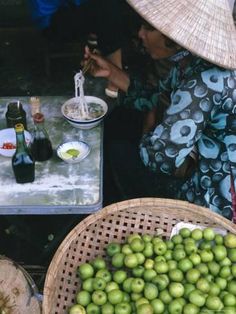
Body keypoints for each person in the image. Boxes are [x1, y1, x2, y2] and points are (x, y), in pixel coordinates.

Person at [84, 0, 236, 221]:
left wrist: (148, 129)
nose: (140, 34)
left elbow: (161, 158)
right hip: (200, 158)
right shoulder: (189, 61)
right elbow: (156, 96)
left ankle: (132, 220)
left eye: (148, 28)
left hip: (216, 193)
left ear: (174, 37)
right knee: (118, 124)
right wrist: (112, 73)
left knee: (118, 153)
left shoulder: (204, 82)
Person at [27, 0, 127, 97]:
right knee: (108, 6)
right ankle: (115, 75)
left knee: (109, 10)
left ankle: (100, 36)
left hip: (65, 9)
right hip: (51, 21)